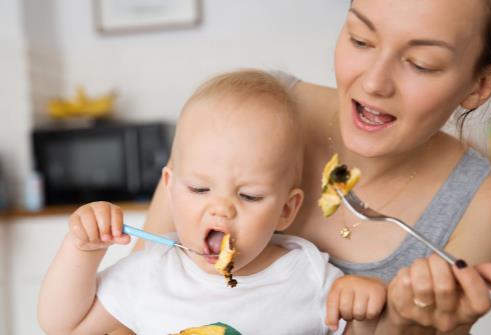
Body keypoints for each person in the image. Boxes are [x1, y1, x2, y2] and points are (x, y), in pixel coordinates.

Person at [133, 0, 491, 334]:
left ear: (481, 84)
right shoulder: (249, 113)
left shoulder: (479, 202)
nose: (373, 83)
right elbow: (129, 309)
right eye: (360, 40)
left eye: (422, 64)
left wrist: (404, 326)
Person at [37, 70, 386, 335]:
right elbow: (62, 326)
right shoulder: (154, 272)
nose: (221, 209)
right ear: (170, 189)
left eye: (249, 196)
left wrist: (363, 305)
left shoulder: (309, 278)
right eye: (200, 189)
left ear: (286, 209)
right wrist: (82, 251)